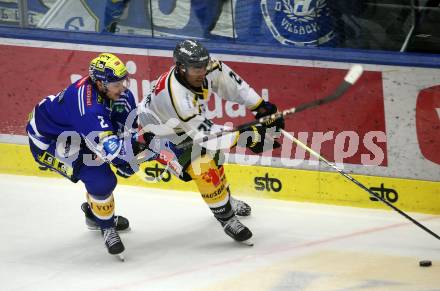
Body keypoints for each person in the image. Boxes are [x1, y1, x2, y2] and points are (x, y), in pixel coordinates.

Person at [138, 39, 284, 244]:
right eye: (196, 68)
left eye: (204, 66)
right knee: (203, 166)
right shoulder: (178, 98)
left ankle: (226, 198)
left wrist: (260, 106)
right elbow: (208, 137)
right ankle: (227, 219)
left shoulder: (206, 65)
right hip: (159, 132)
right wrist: (248, 138)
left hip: (185, 126)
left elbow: (232, 85)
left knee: (214, 158)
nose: (202, 71)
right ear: (180, 67)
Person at [26, 53, 139, 259]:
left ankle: (94, 212)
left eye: (124, 81)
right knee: (101, 179)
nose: (122, 87)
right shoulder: (87, 109)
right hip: (51, 141)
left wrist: (135, 147)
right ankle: (106, 226)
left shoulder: (118, 94)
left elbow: (128, 130)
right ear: (100, 83)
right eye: (116, 84)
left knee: (109, 168)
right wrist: (132, 158)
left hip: (78, 133)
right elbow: (113, 152)